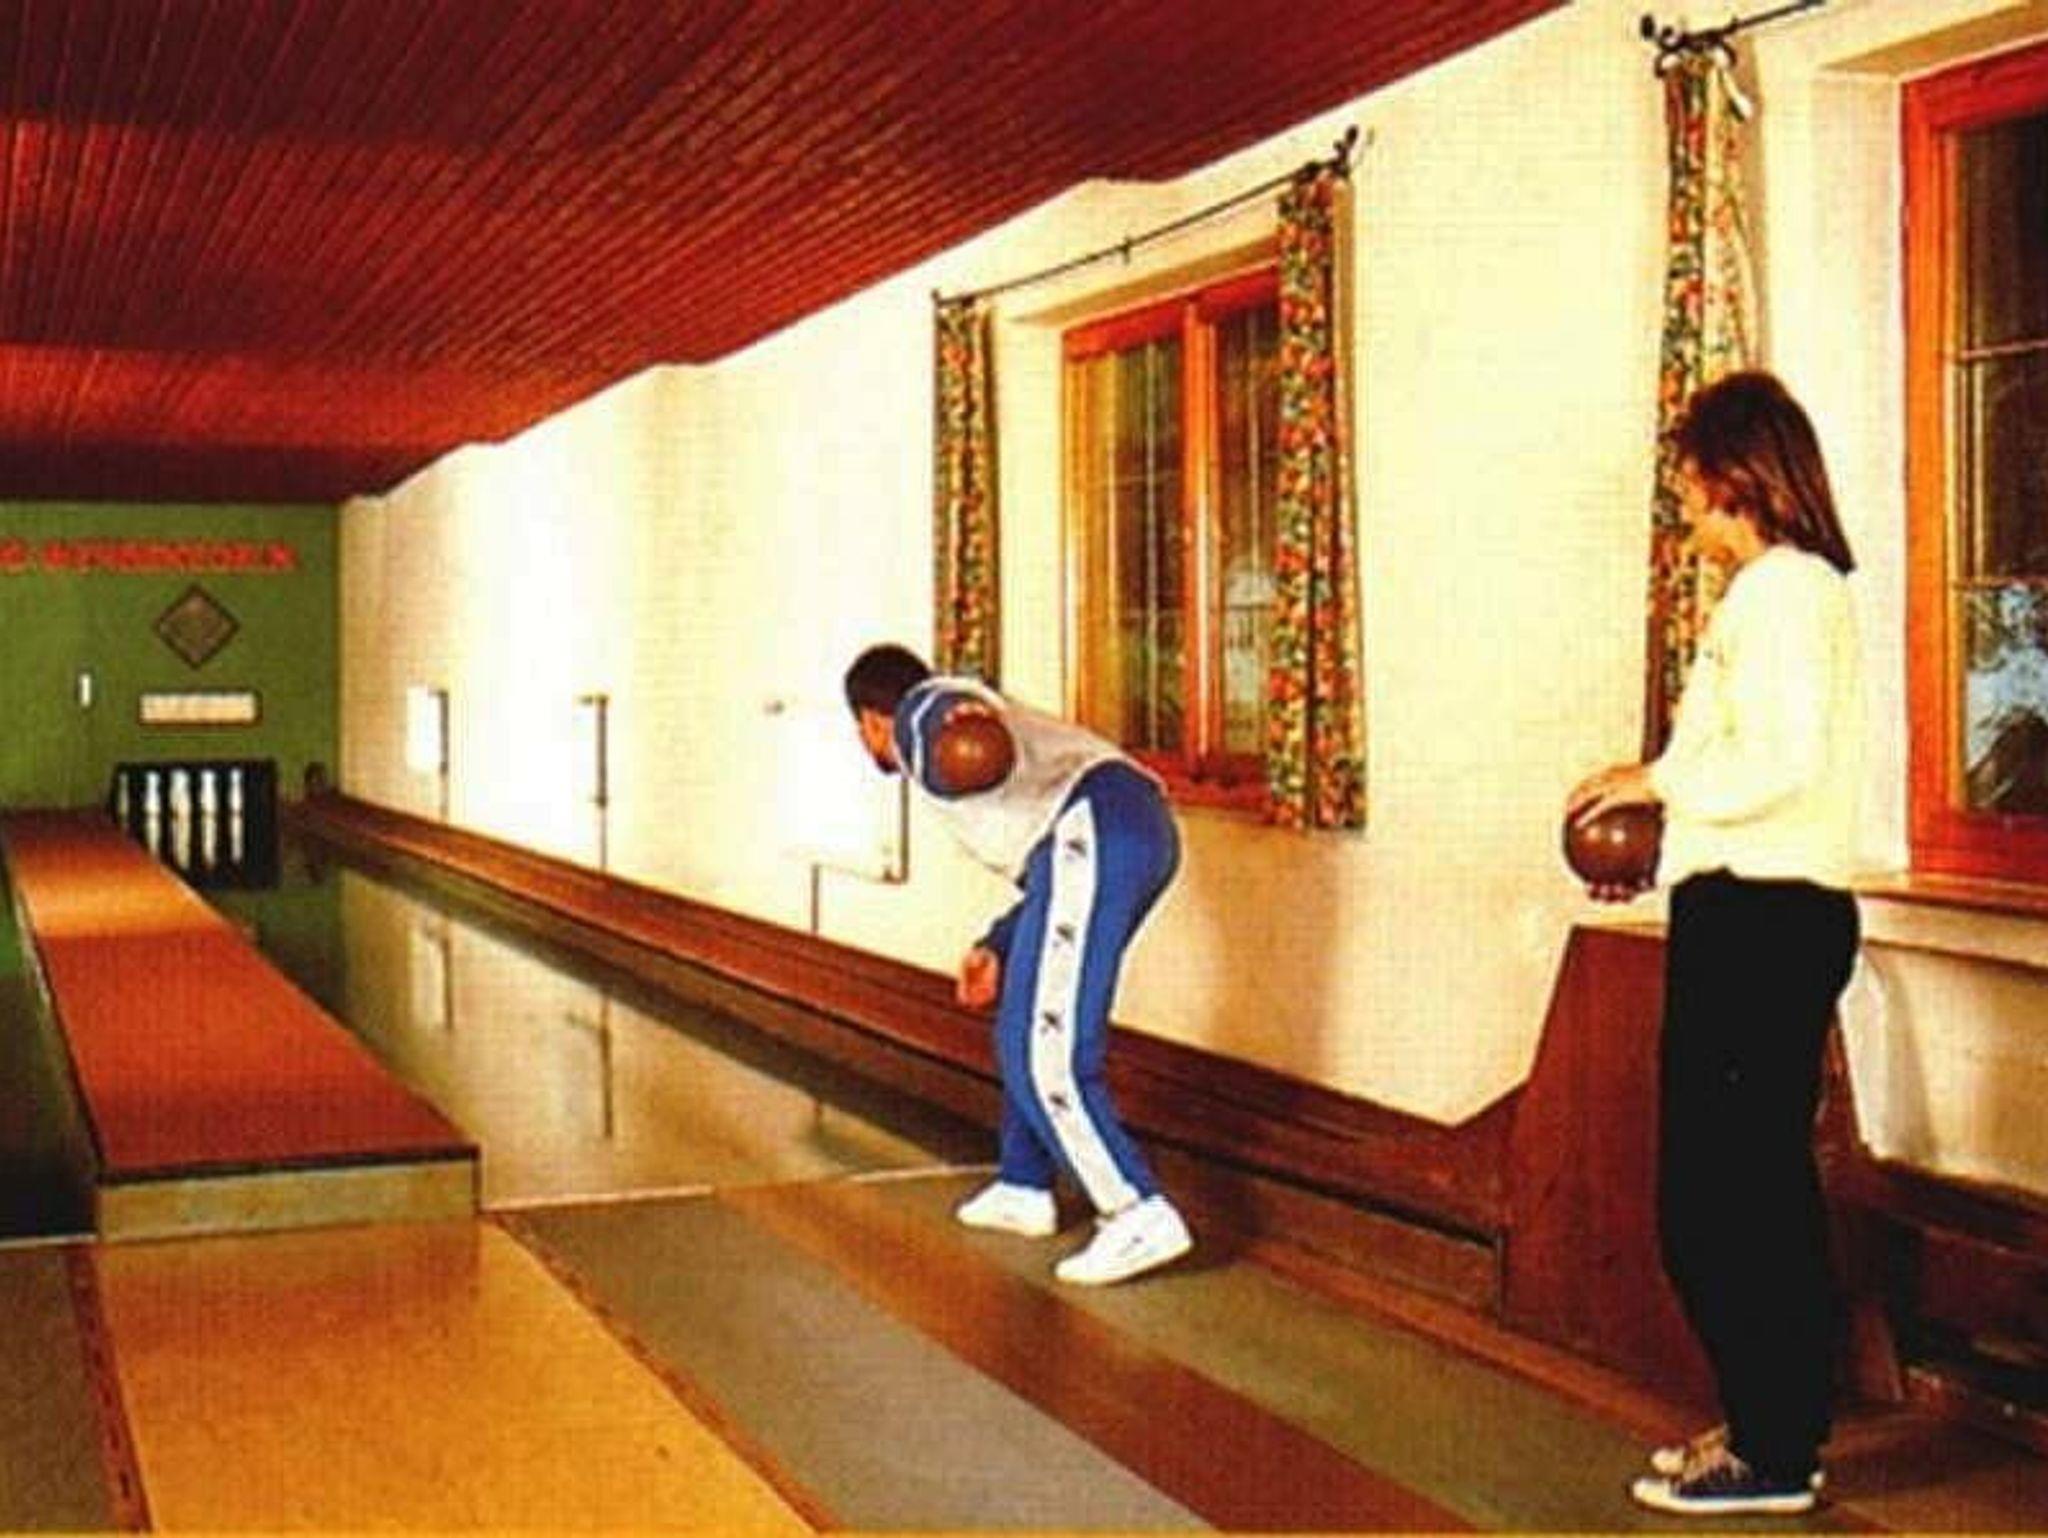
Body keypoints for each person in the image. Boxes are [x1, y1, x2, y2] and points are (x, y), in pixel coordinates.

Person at [1567, 371, 1862, 1517]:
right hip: (1746, 909)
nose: (1683, 505)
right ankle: (1764, 1422)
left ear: (1736, 476)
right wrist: (1658, 802)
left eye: (1689, 482)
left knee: (1725, 1196)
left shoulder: (1782, 591)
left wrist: (1657, 785)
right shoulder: (1778, 591)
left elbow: (1780, 761)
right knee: (1730, 1186)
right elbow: (1743, 761)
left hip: (1764, 917)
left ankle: (1775, 1450)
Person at [843, 643, 1193, 1285]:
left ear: (870, 721)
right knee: (1021, 1020)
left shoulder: (924, 713)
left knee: (1048, 1049)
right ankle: (1024, 1184)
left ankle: (1137, 1210)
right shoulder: (945, 721)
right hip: (1107, 836)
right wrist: (999, 944)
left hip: (1098, 828)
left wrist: (952, 728)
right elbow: (1047, 868)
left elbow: (950, 720)